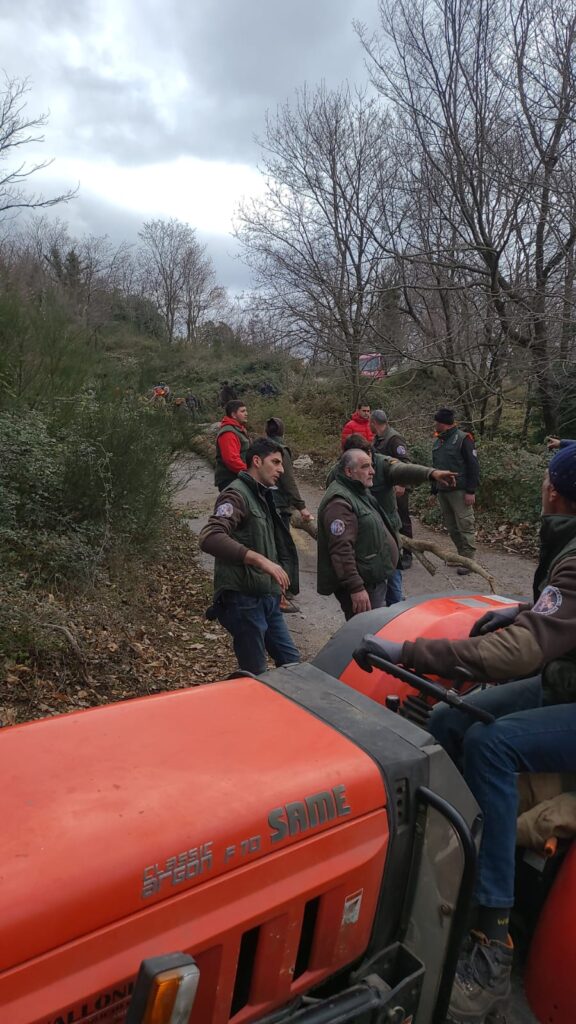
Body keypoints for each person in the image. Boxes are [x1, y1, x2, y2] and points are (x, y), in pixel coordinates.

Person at [362, 442, 576, 1024]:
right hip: (564, 681)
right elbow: (555, 621)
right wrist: (517, 613)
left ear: (554, 491)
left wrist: (406, 649)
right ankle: (452, 862)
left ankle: (494, 942)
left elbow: (525, 650)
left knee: (491, 742)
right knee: (450, 717)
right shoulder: (567, 544)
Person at [199, 437, 300, 675]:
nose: (281, 469)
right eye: (275, 462)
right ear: (256, 461)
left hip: (268, 598)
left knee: (294, 665)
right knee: (255, 674)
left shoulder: (262, 495)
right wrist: (259, 560)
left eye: (282, 464)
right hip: (244, 602)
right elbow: (210, 536)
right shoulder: (236, 495)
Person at [318, 447, 457, 618]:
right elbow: (341, 551)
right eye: (365, 467)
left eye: (371, 465)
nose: (372, 471)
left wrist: (431, 473)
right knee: (365, 633)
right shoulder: (339, 503)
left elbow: (401, 470)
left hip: (373, 579)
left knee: (375, 629)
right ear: (348, 471)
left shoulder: (358, 490)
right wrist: (356, 588)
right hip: (365, 584)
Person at [265, 416, 312, 612]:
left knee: (275, 544)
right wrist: (301, 507)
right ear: (282, 432)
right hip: (280, 505)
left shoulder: (263, 448)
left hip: (268, 502)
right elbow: (289, 481)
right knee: (285, 548)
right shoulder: (280, 451)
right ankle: (287, 589)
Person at [432, 407, 480, 574]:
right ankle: (461, 557)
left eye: (436, 422)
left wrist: (471, 491)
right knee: (452, 527)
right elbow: (435, 466)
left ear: (443, 423)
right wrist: (434, 489)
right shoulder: (439, 441)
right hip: (443, 491)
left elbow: (473, 466)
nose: (435, 425)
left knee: (465, 525)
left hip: (460, 491)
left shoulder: (463, 439)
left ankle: (469, 561)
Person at [370, 409, 414, 569]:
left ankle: (408, 554)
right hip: (385, 488)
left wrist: (402, 484)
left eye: (370, 423)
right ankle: (392, 550)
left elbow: (406, 462)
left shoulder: (394, 438)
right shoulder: (378, 438)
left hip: (398, 488)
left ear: (374, 423)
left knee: (402, 520)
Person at [214, 400, 249, 491]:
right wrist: (249, 472)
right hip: (231, 480)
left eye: (246, 411)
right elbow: (231, 460)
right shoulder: (228, 433)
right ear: (233, 415)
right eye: (242, 411)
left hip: (238, 477)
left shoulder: (238, 429)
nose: (246, 413)